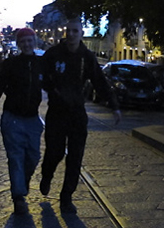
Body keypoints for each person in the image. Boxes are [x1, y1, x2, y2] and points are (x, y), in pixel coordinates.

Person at [40, 17, 122, 214]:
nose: (71, 34)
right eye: (69, 30)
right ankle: (47, 175)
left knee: (75, 156)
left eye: (75, 31)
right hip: (57, 112)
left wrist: (114, 106)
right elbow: (41, 76)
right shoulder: (53, 54)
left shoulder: (87, 57)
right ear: (65, 32)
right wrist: (52, 89)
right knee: (55, 152)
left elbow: (99, 82)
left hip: (77, 113)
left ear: (81, 33)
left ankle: (66, 197)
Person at [0, 28, 44, 215]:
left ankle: (21, 184)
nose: (27, 44)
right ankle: (18, 198)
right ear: (18, 44)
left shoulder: (40, 63)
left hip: (32, 120)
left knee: (33, 158)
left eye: (30, 40)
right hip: (12, 119)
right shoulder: (11, 64)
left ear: (34, 41)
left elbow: (51, 85)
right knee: (15, 158)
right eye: (23, 41)